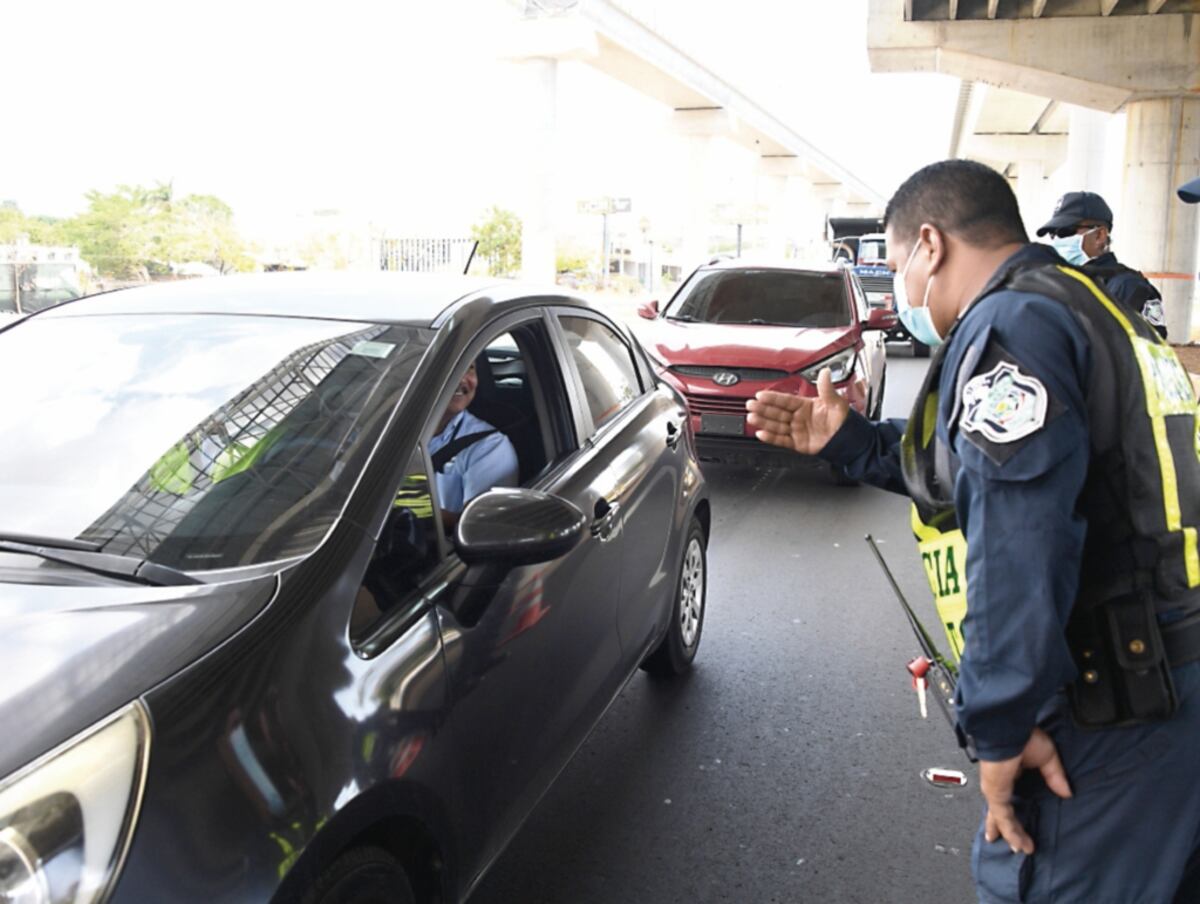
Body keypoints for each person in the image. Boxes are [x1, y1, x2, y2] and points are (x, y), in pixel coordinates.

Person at [747, 159, 1200, 903]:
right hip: (1170, 691)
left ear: (930, 245)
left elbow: (1021, 537)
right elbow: (991, 468)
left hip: (1115, 708)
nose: (900, 291)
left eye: (895, 265)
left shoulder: (1012, 323)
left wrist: (1001, 723)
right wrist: (850, 441)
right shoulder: (1083, 304)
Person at [1036, 190, 1168, 339]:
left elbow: (1146, 353)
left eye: (1065, 232)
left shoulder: (1128, 287)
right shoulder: (1061, 283)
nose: (1057, 240)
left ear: (1100, 235)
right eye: (1053, 234)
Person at [427, 361, 519, 528]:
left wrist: (407, 516)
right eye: (448, 369)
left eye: (469, 367)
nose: (461, 379)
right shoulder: (386, 433)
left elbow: (479, 528)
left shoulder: (489, 446)